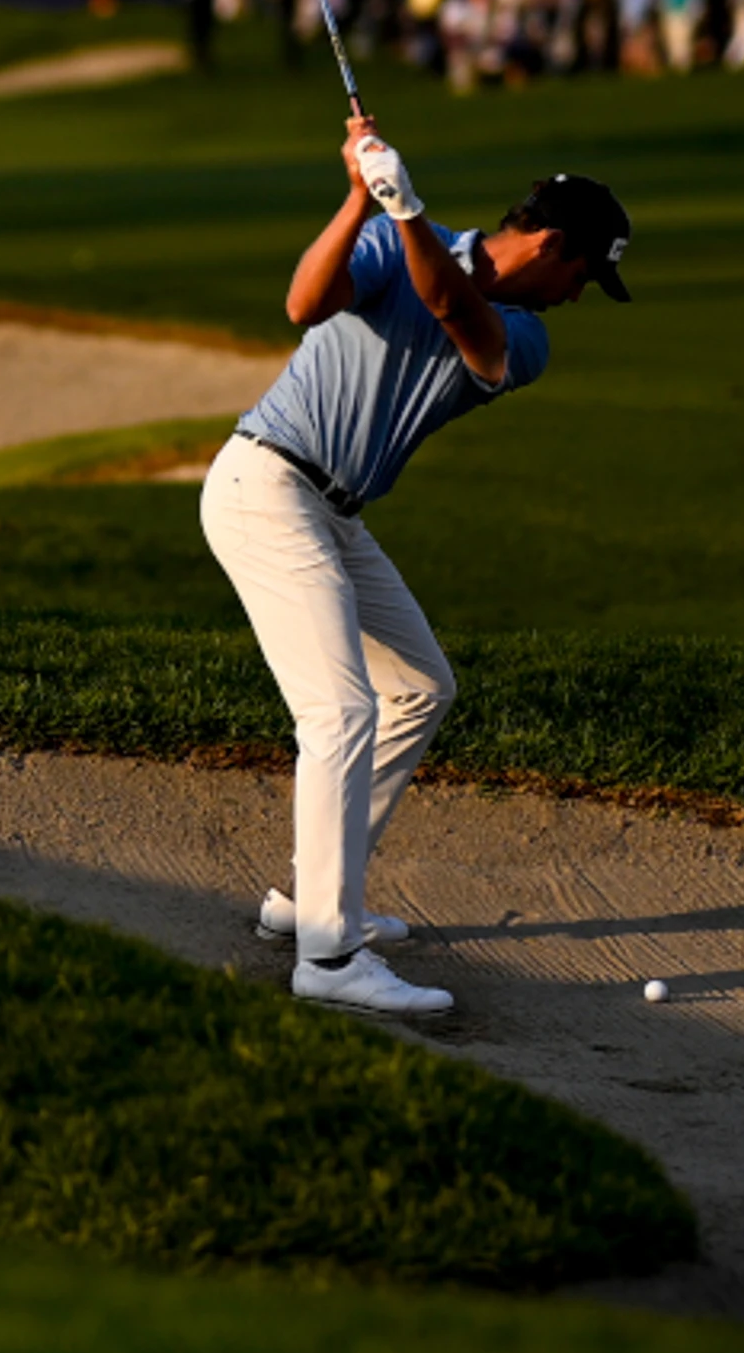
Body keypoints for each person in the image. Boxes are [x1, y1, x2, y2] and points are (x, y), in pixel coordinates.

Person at [204, 119, 633, 1018]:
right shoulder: (397, 236)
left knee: (419, 688)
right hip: (266, 484)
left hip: (332, 510)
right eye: (585, 275)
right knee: (341, 708)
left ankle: (307, 902)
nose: (578, 297)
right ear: (553, 245)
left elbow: (458, 317)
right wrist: (364, 195)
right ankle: (327, 957)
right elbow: (303, 304)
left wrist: (405, 210)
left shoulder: (524, 335)